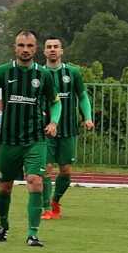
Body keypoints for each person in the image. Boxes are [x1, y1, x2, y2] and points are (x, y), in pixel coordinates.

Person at [0, 30, 61, 246]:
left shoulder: (43, 75)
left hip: (35, 139)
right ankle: (3, 225)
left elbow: (55, 102)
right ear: (15, 48)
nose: (25, 50)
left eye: (29, 46)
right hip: (9, 141)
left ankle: (32, 234)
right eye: (21, 45)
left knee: (35, 182)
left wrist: (54, 122)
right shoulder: (4, 71)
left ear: (35, 49)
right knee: (5, 187)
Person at [39, 36, 94, 220]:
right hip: (45, 130)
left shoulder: (72, 72)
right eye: (49, 47)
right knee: (46, 169)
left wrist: (88, 117)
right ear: (44, 51)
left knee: (66, 171)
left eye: (56, 46)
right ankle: (46, 208)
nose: (52, 49)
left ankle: (55, 201)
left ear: (61, 51)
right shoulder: (39, 73)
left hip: (68, 129)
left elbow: (83, 96)